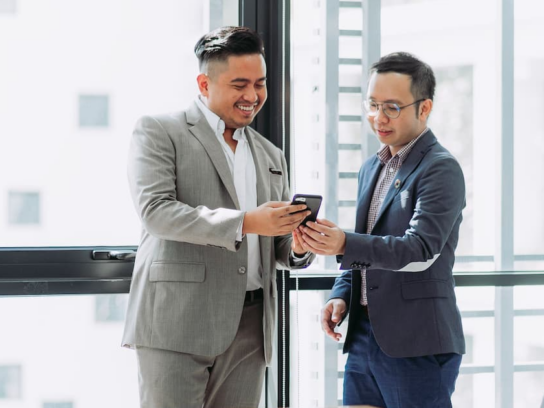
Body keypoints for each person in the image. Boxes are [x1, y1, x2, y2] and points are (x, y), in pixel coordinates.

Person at [121, 26, 314, 408]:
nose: (253, 96)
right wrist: (246, 222)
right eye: (239, 84)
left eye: (260, 84)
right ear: (204, 83)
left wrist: (297, 245)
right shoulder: (160, 131)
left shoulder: (271, 155)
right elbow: (157, 213)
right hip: (177, 320)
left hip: (252, 326)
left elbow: (274, 245)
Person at [299, 52, 466, 408]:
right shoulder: (372, 168)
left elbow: (420, 249)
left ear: (424, 108)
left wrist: (344, 242)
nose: (378, 117)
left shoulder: (441, 169)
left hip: (416, 342)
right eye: (372, 104)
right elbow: (369, 247)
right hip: (364, 335)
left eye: (391, 107)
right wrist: (341, 292)